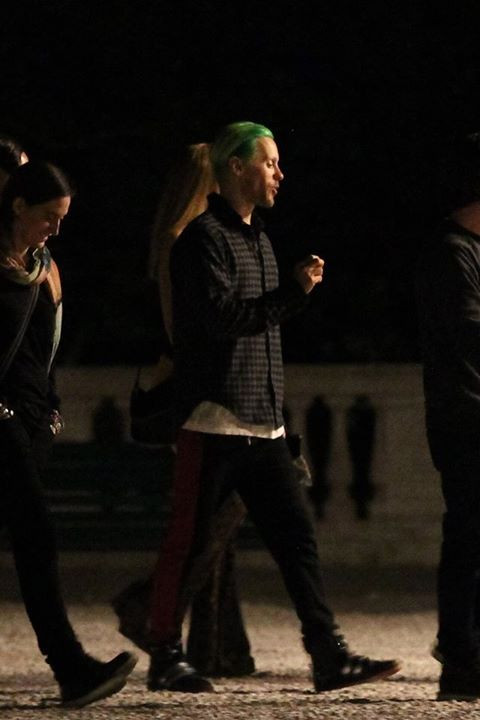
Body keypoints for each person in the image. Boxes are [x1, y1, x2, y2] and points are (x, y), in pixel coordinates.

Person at [146, 121, 400, 694]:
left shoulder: (258, 238)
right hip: (212, 421)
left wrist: (279, 416)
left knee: (297, 541)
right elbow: (223, 322)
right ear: (236, 167)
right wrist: (292, 294)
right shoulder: (202, 240)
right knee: (188, 544)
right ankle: (164, 654)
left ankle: (328, 653)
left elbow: (259, 330)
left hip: (262, 427)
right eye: (270, 163)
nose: (280, 174)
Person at [113, 143, 255, 680]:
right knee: (220, 510)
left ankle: (222, 646)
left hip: (200, 389)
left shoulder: (192, 238)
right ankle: (151, 606)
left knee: (218, 513)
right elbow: (184, 333)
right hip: (197, 393)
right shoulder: (185, 241)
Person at [0, 160, 137, 708]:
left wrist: (51, 412)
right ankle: (70, 666)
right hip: (1, 420)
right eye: (49, 217)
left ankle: (71, 668)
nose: (56, 229)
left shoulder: (43, 267)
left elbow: (45, 349)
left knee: (31, 539)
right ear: (17, 206)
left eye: (62, 218)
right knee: (37, 537)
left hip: (33, 420)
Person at [417, 132, 480, 700]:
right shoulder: (452, 251)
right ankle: (460, 659)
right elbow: (467, 335)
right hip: (466, 419)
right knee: (468, 536)